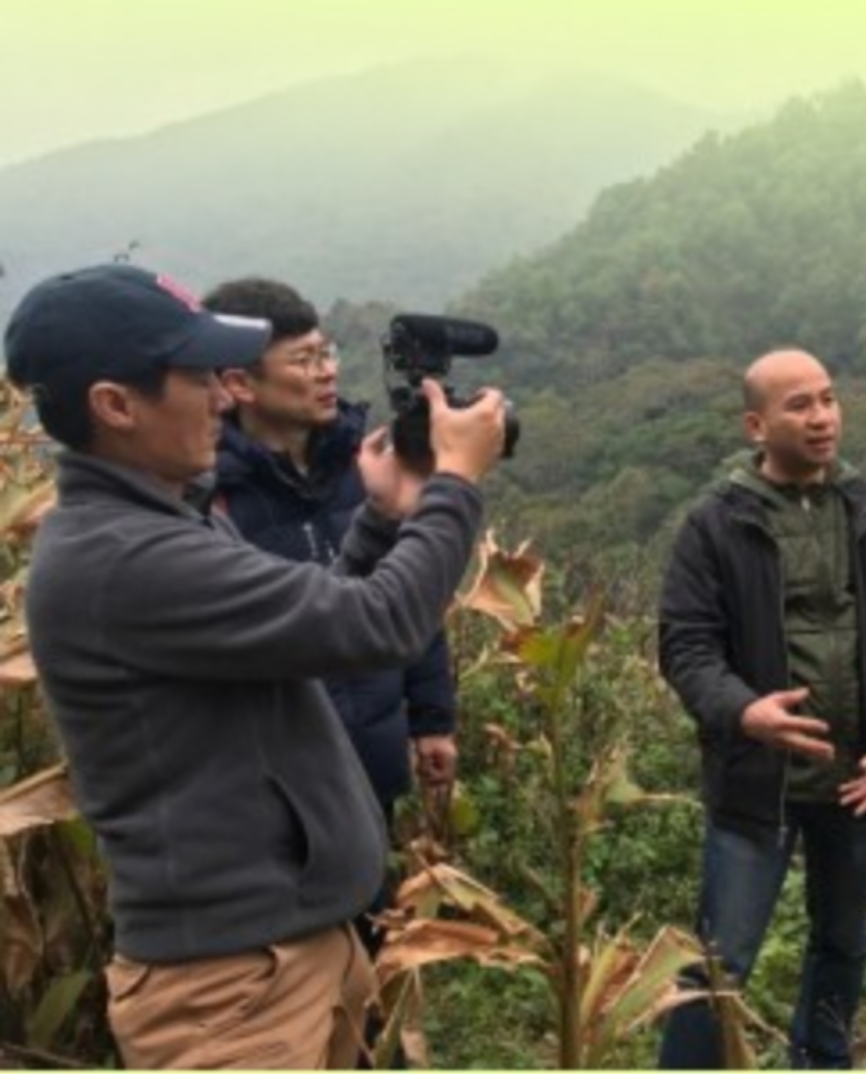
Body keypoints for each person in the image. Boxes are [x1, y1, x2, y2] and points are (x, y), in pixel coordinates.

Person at [4, 263, 508, 1069]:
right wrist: (454, 485)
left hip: (288, 957)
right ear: (115, 405)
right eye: (199, 375)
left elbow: (314, 624)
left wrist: (380, 519)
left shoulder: (165, 522)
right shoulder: (126, 556)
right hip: (231, 994)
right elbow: (380, 623)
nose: (222, 395)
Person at [656, 348, 866, 1069]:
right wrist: (746, 712)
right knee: (721, 962)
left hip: (856, 782)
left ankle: (820, 1062)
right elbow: (687, 648)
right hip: (759, 784)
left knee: (844, 944)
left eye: (828, 399)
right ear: (757, 425)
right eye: (800, 406)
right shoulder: (715, 525)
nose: (822, 418)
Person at [202, 276, 459, 833]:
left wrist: (431, 717)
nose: (327, 372)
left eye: (326, 352)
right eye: (303, 360)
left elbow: (408, 594)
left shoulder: (363, 466)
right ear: (240, 383)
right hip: (281, 791)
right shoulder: (210, 499)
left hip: (375, 763)